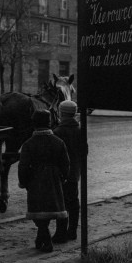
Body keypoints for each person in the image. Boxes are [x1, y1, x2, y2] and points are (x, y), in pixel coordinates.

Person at [18, 110, 69, 253]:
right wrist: (62, 177)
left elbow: (23, 166)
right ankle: (41, 238)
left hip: (35, 181)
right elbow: (66, 164)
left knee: (37, 210)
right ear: (49, 123)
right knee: (50, 209)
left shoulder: (28, 144)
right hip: (53, 180)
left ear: (34, 124)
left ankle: (45, 239)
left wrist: (24, 182)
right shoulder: (58, 142)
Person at [52, 100, 81, 243]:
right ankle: (73, 231)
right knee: (74, 201)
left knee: (61, 203)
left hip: (62, 174)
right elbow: (85, 151)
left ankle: (61, 232)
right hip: (75, 172)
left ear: (61, 113)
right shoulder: (80, 130)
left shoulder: (58, 132)